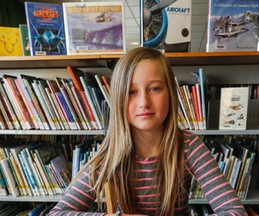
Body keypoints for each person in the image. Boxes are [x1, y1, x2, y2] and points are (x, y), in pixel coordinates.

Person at [48, 47, 248, 216]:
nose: (144, 102)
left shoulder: (188, 146)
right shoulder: (111, 154)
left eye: (154, 89)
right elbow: (57, 213)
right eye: (131, 92)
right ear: (118, 100)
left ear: (170, 93)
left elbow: (235, 211)